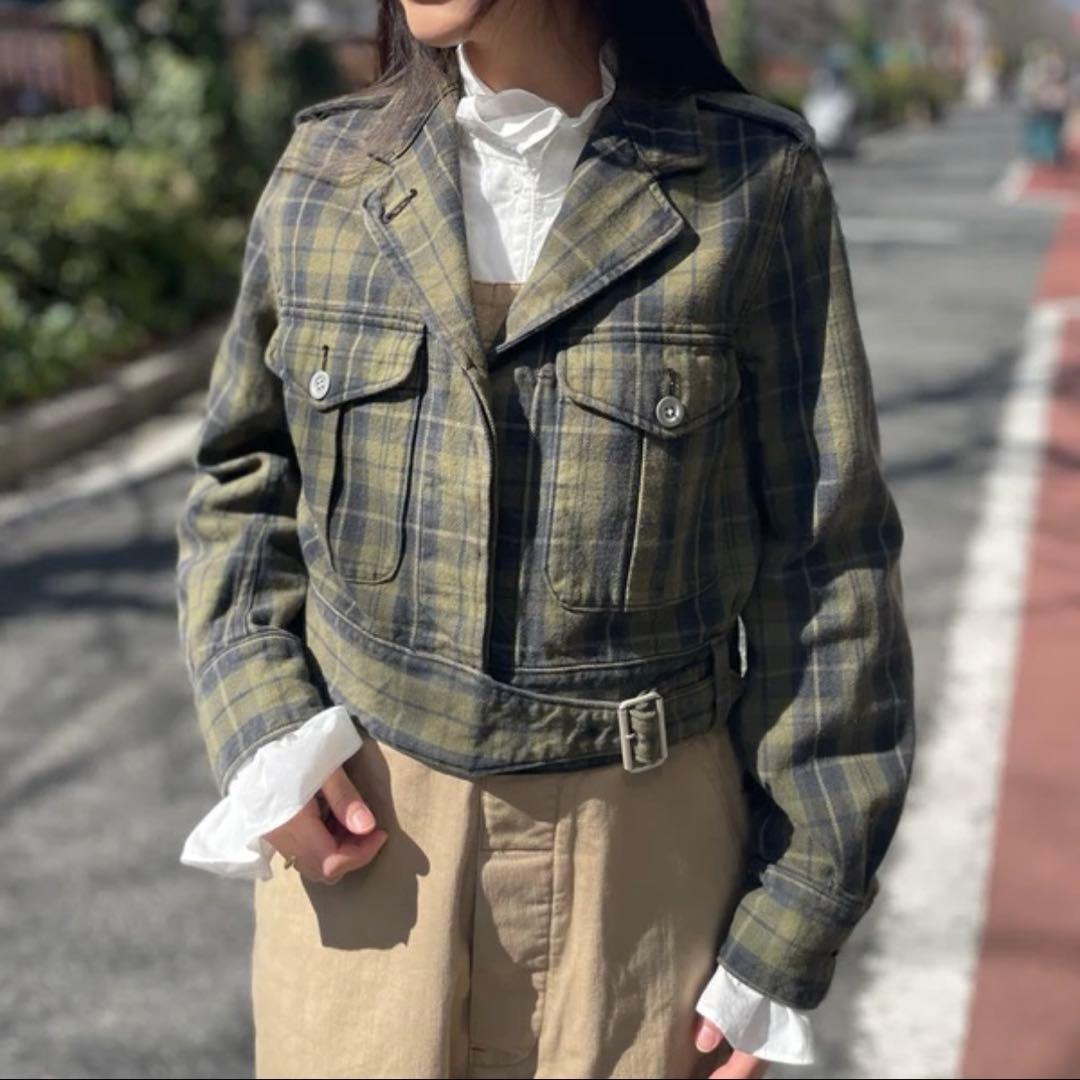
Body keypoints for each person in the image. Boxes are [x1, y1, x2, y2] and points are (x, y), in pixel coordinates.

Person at [174, 1, 916, 1077]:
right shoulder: (327, 172)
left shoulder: (750, 182)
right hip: (364, 843)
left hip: (643, 869)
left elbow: (826, 559)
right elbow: (243, 480)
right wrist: (263, 727)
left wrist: (795, 913)